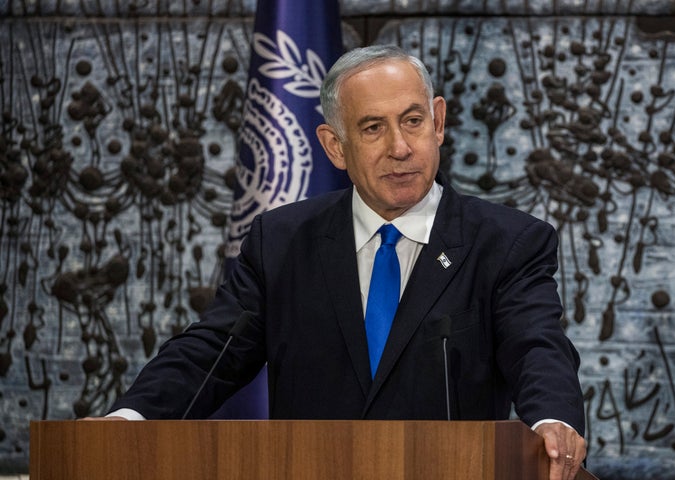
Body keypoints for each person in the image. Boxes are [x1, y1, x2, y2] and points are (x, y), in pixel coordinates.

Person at [100, 45, 587, 479]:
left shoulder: (507, 243)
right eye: (373, 128)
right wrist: (128, 421)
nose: (400, 147)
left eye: (413, 121)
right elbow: (212, 351)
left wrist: (553, 422)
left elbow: (536, 346)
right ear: (336, 146)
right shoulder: (282, 242)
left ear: (438, 122)